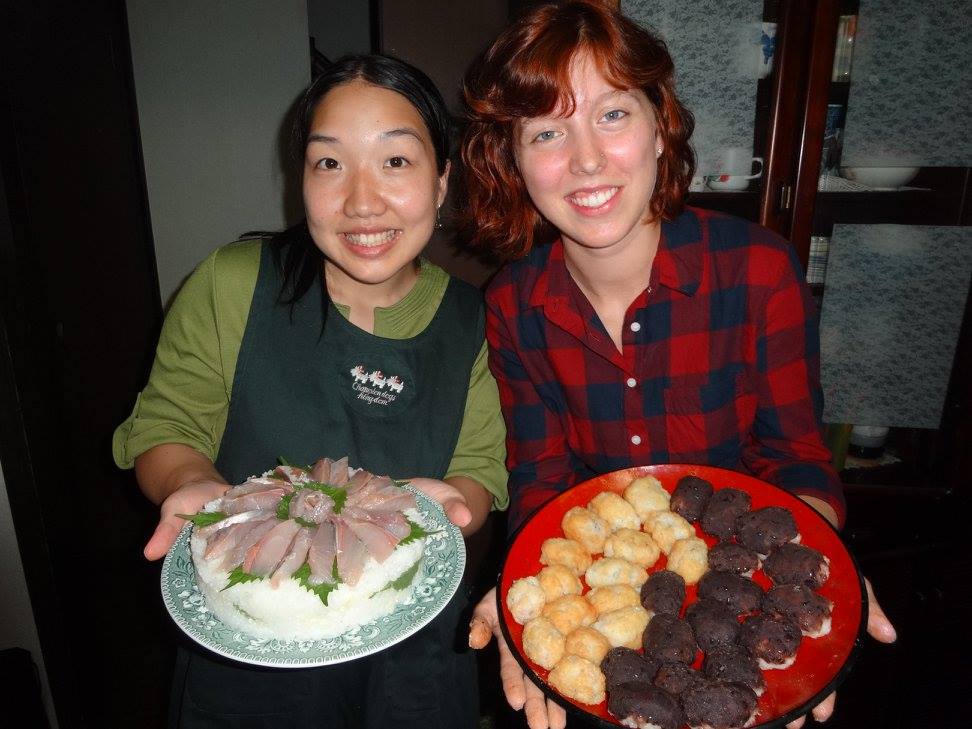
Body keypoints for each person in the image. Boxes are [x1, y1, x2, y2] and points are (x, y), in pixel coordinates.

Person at [459, 3, 896, 728]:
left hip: (742, 595)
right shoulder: (512, 302)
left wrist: (820, 572)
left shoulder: (758, 269)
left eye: (612, 115)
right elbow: (541, 479)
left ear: (660, 125)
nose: (587, 159)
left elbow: (796, 456)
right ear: (512, 159)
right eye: (547, 132)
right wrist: (523, 588)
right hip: (610, 632)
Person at [112, 54, 508, 728]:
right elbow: (164, 423)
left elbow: (478, 470)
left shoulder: (476, 319)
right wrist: (191, 480)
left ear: (442, 181)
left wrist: (450, 508)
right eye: (329, 163)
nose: (360, 199)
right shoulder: (234, 282)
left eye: (396, 161)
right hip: (251, 648)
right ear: (301, 181)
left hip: (412, 660)